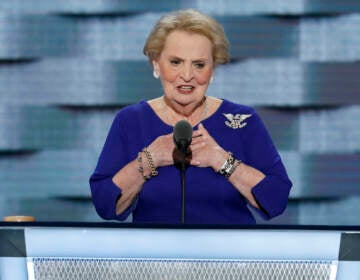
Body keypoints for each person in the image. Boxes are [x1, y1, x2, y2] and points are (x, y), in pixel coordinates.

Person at [89, 9, 292, 224]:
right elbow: (104, 203)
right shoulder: (131, 121)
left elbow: (276, 199)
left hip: (229, 254)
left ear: (212, 70)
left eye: (199, 64)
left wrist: (221, 160)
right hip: (156, 255)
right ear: (156, 64)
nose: (187, 75)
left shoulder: (242, 120)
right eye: (176, 62)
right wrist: (151, 158)